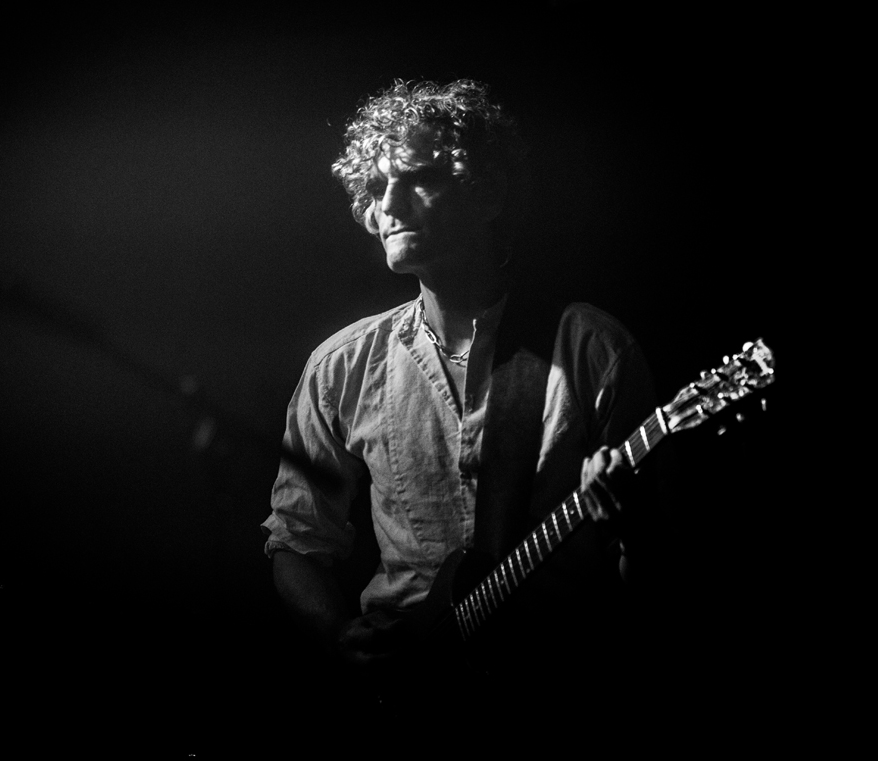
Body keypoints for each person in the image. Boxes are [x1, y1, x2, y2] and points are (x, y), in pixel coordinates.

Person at [261, 80, 668, 700]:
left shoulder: (589, 348)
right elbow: (296, 540)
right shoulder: (340, 366)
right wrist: (336, 634)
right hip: (406, 685)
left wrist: (632, 526)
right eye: (375, 188)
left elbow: (659, 577)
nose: (390, 204)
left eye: (418, 178)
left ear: (487, 191)